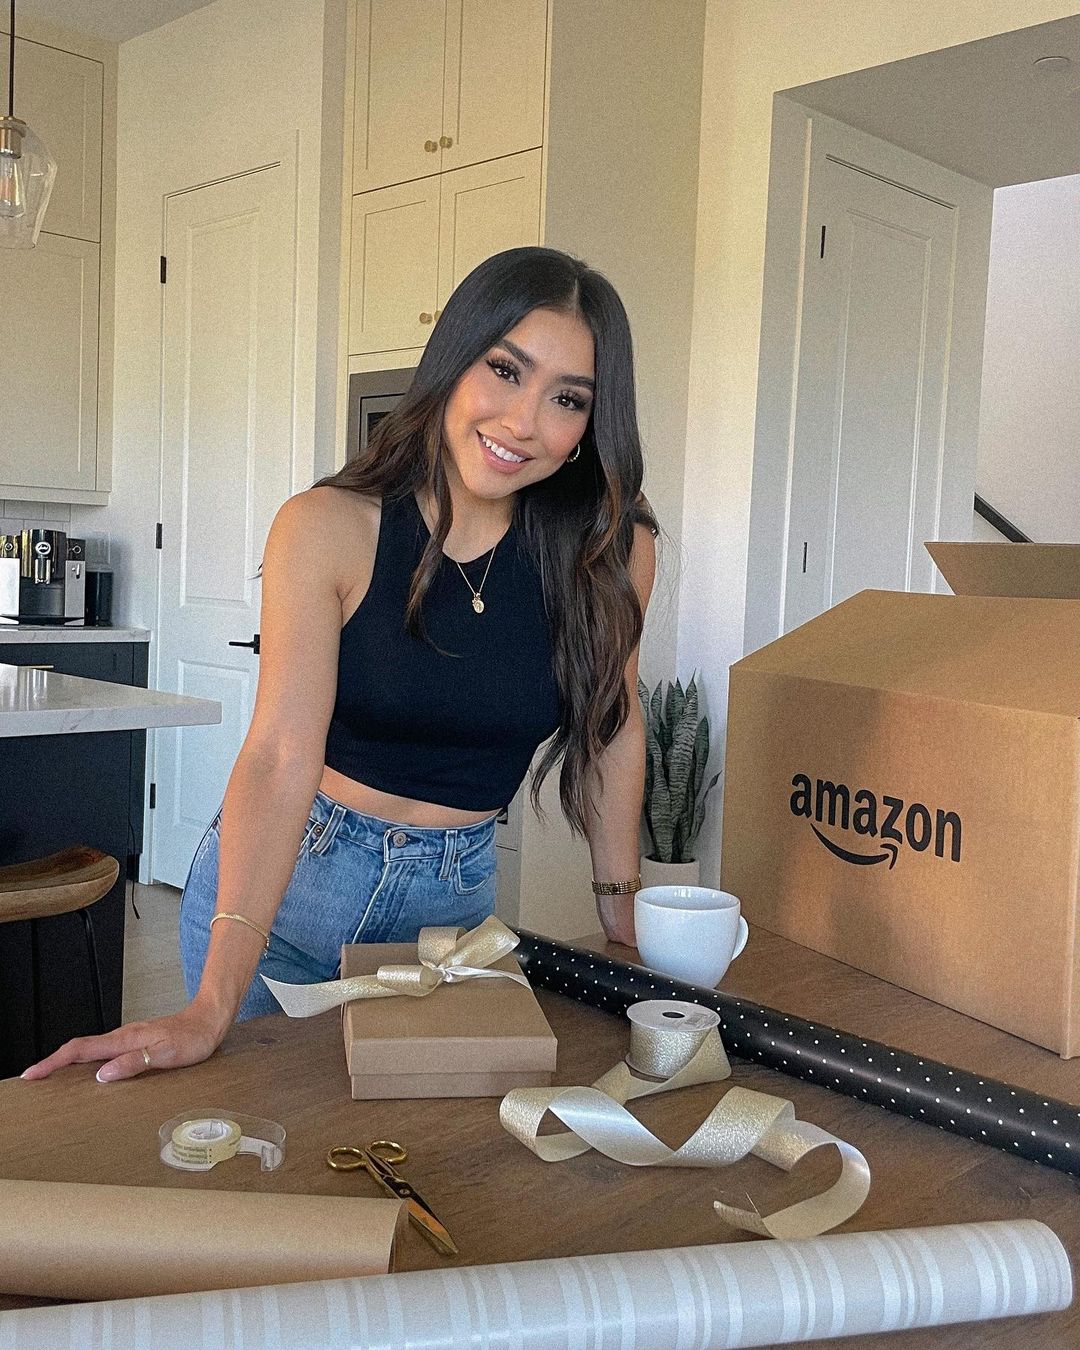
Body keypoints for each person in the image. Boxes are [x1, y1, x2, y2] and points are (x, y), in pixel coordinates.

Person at [23, 246, 657, 1084]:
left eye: (567, 398)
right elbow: (280, 755)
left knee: (422, 1147)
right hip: (290, 890)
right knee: (262, 1134)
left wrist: (623, 917)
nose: (523, 421)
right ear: (454, 360)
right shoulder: (328, 527)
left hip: (451, 918)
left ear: (590, 426)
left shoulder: (610, 552)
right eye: (505, 370)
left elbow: (613, 725)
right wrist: (211, 1004)